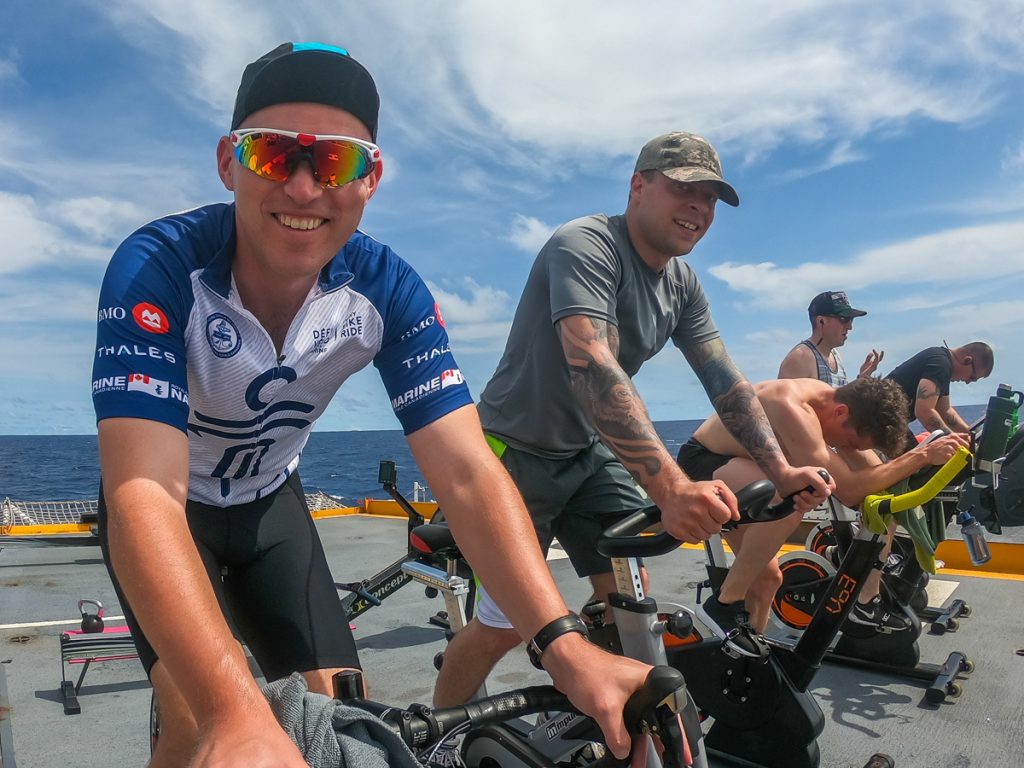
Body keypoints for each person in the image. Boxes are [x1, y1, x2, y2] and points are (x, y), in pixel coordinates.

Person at [91, 42, 652, 768]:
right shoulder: (159, 266)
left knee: (340, 717)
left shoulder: (387, 290)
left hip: (268, 504)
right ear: (229, 163)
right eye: (272, 156)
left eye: (334, 163)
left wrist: (564, 642)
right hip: (172, 510)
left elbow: (468, 475)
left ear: (371, 178)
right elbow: (144, 495)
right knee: (202, 724)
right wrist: (237, 715)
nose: (301, 188)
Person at [433, 131, 834, 708]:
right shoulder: (586, 244)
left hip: (590, 453)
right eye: (684, 190)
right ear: (639, 187)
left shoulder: (682, 283)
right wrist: (672, 488)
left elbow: (725, 381)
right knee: (504, 625)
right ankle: (436, 737)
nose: (699, 208)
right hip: (516, 450)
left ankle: (619, 732)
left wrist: (782, 467)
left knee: (629, 605)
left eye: (711, 199)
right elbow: (593, 365)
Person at [676, 377, 968, 635]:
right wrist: (920, 456)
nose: (850, 450)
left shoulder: (835, 407)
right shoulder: (794, 409)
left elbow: (877, 479)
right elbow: (850, 491)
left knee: (767, 580)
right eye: (851, 443)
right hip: (705, 460)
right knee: (796, 495)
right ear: (841, 413)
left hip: (750, 465)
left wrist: (918, 466)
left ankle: (748, 659)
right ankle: (722, 604)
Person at [886, 341, 994, 443]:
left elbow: (945, 411)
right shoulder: (940, 365)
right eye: (972, 377)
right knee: (922, 461)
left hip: (888, 421)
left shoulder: (941, 361)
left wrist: (971, 435)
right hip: (880, 421)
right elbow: (924, 412)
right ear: (967, 360)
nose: (967, 382)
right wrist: (954, 441)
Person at [777, 290, 883, 386]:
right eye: (844, 319)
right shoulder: (800, 358)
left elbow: (837, 402)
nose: (850, 327)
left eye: (851, 319)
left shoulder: (835, 355)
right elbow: (781, 405)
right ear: (821, 321)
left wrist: (860, 380)